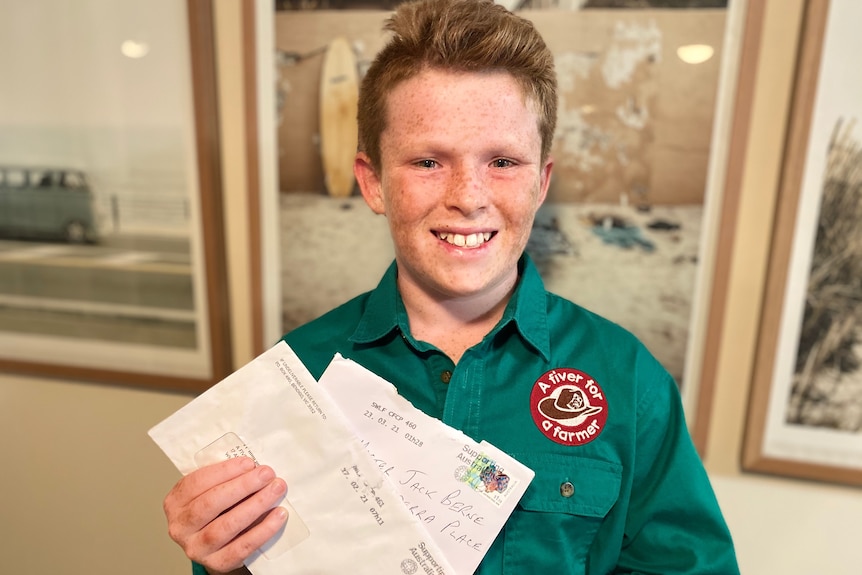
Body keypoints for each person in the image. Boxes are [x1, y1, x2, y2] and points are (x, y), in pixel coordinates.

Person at [162, 0, 740, 573]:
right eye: (428, 162)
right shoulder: (296, 380)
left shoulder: (629, 381)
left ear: (541, 183)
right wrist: (225, 562)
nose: (468, 196)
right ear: (373, 183)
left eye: (503, 162)